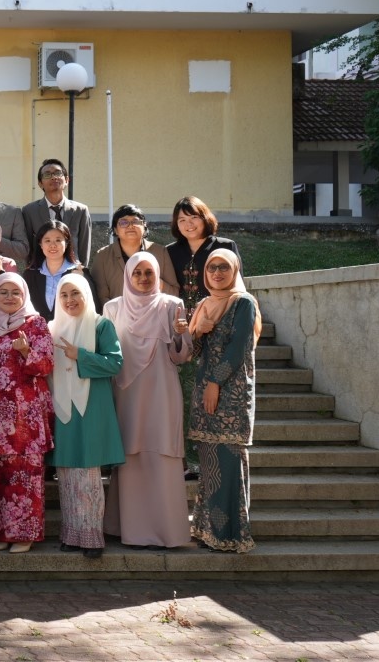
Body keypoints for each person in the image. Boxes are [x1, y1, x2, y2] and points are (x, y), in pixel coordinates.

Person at [103, 252, 194, 550]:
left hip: (161, 392)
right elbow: (107, 353)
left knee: (161, 450)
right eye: (137, 273)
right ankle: (128, 529)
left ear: (157, 275)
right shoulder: (113, 308)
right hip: (125, 394)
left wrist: (181, 335)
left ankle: (166, 531)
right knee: (130, 454)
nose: (143, 278)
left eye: (149, 273)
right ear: (128, 275)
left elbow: (181, 356)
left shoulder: (172, 305)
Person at [187, 249, 260, 553]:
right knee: (210, 466)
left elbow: (238, 349)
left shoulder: (243, 303)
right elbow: (193, 352)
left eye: (223, 267)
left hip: (231, 394)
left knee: (228, 463)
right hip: (205, 391)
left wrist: (215, 383)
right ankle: (209, 531)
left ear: (235, 270)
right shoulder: (204, 305)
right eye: (211, 268)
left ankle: (231, 534)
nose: (217, 273)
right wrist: (196, 332)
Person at [47, 274, 125, 558]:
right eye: (64, 295)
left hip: (92, 406)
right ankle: (72, 534)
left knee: (88, 475)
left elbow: (115, 363)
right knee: (66, 474)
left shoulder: (101, 325)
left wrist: (80, 355)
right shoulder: (51, 328)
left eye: (75, 293)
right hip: (62, 407)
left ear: (86, 295)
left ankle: (92, 536)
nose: (70, 300)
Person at [0, 274, 55, 553]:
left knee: (25, 475)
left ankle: (25, 534)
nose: (9, 297)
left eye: (15, 292)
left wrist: (25, 351)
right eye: (3, 292)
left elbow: (46, 366)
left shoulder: (35, 325)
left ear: (24, 296)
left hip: (26, 416)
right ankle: (1, 532)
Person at [89, 203, 179, 310]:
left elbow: (174, 292)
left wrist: (153, 279)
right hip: (117, 317)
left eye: (135, 221)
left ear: (144, 227)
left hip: (155, 315)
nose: (130, 226)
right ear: (115, 229)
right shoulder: (103, 256)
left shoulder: (160, 252)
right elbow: (100, 297)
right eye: (123, 222)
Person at [165, 196, 243, 314]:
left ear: (205, 218)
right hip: (180, 319)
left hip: (218, 316)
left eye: (194, 217)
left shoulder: (225, 246)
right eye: (182, 220)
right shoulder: (169, 251)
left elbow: (237, 286)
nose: (189, 224)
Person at [21, 158, 92, 267]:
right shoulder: (29, 211)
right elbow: (29, 248)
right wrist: (32, 270)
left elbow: (84, 246)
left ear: (66, 180)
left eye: (58, 173)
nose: (54, 177)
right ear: (40, 183)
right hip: (42, 270)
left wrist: (81, 270)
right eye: (47, 175)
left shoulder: (81, 210)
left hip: (72, 269)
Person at [23, 220, 84, 320]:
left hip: (71, 328)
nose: (53, 245)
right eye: (47, 241)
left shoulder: (79, 273)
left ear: (67, 243)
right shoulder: (29, 275)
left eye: (58, 240)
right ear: (40, 244)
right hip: (38, 329)